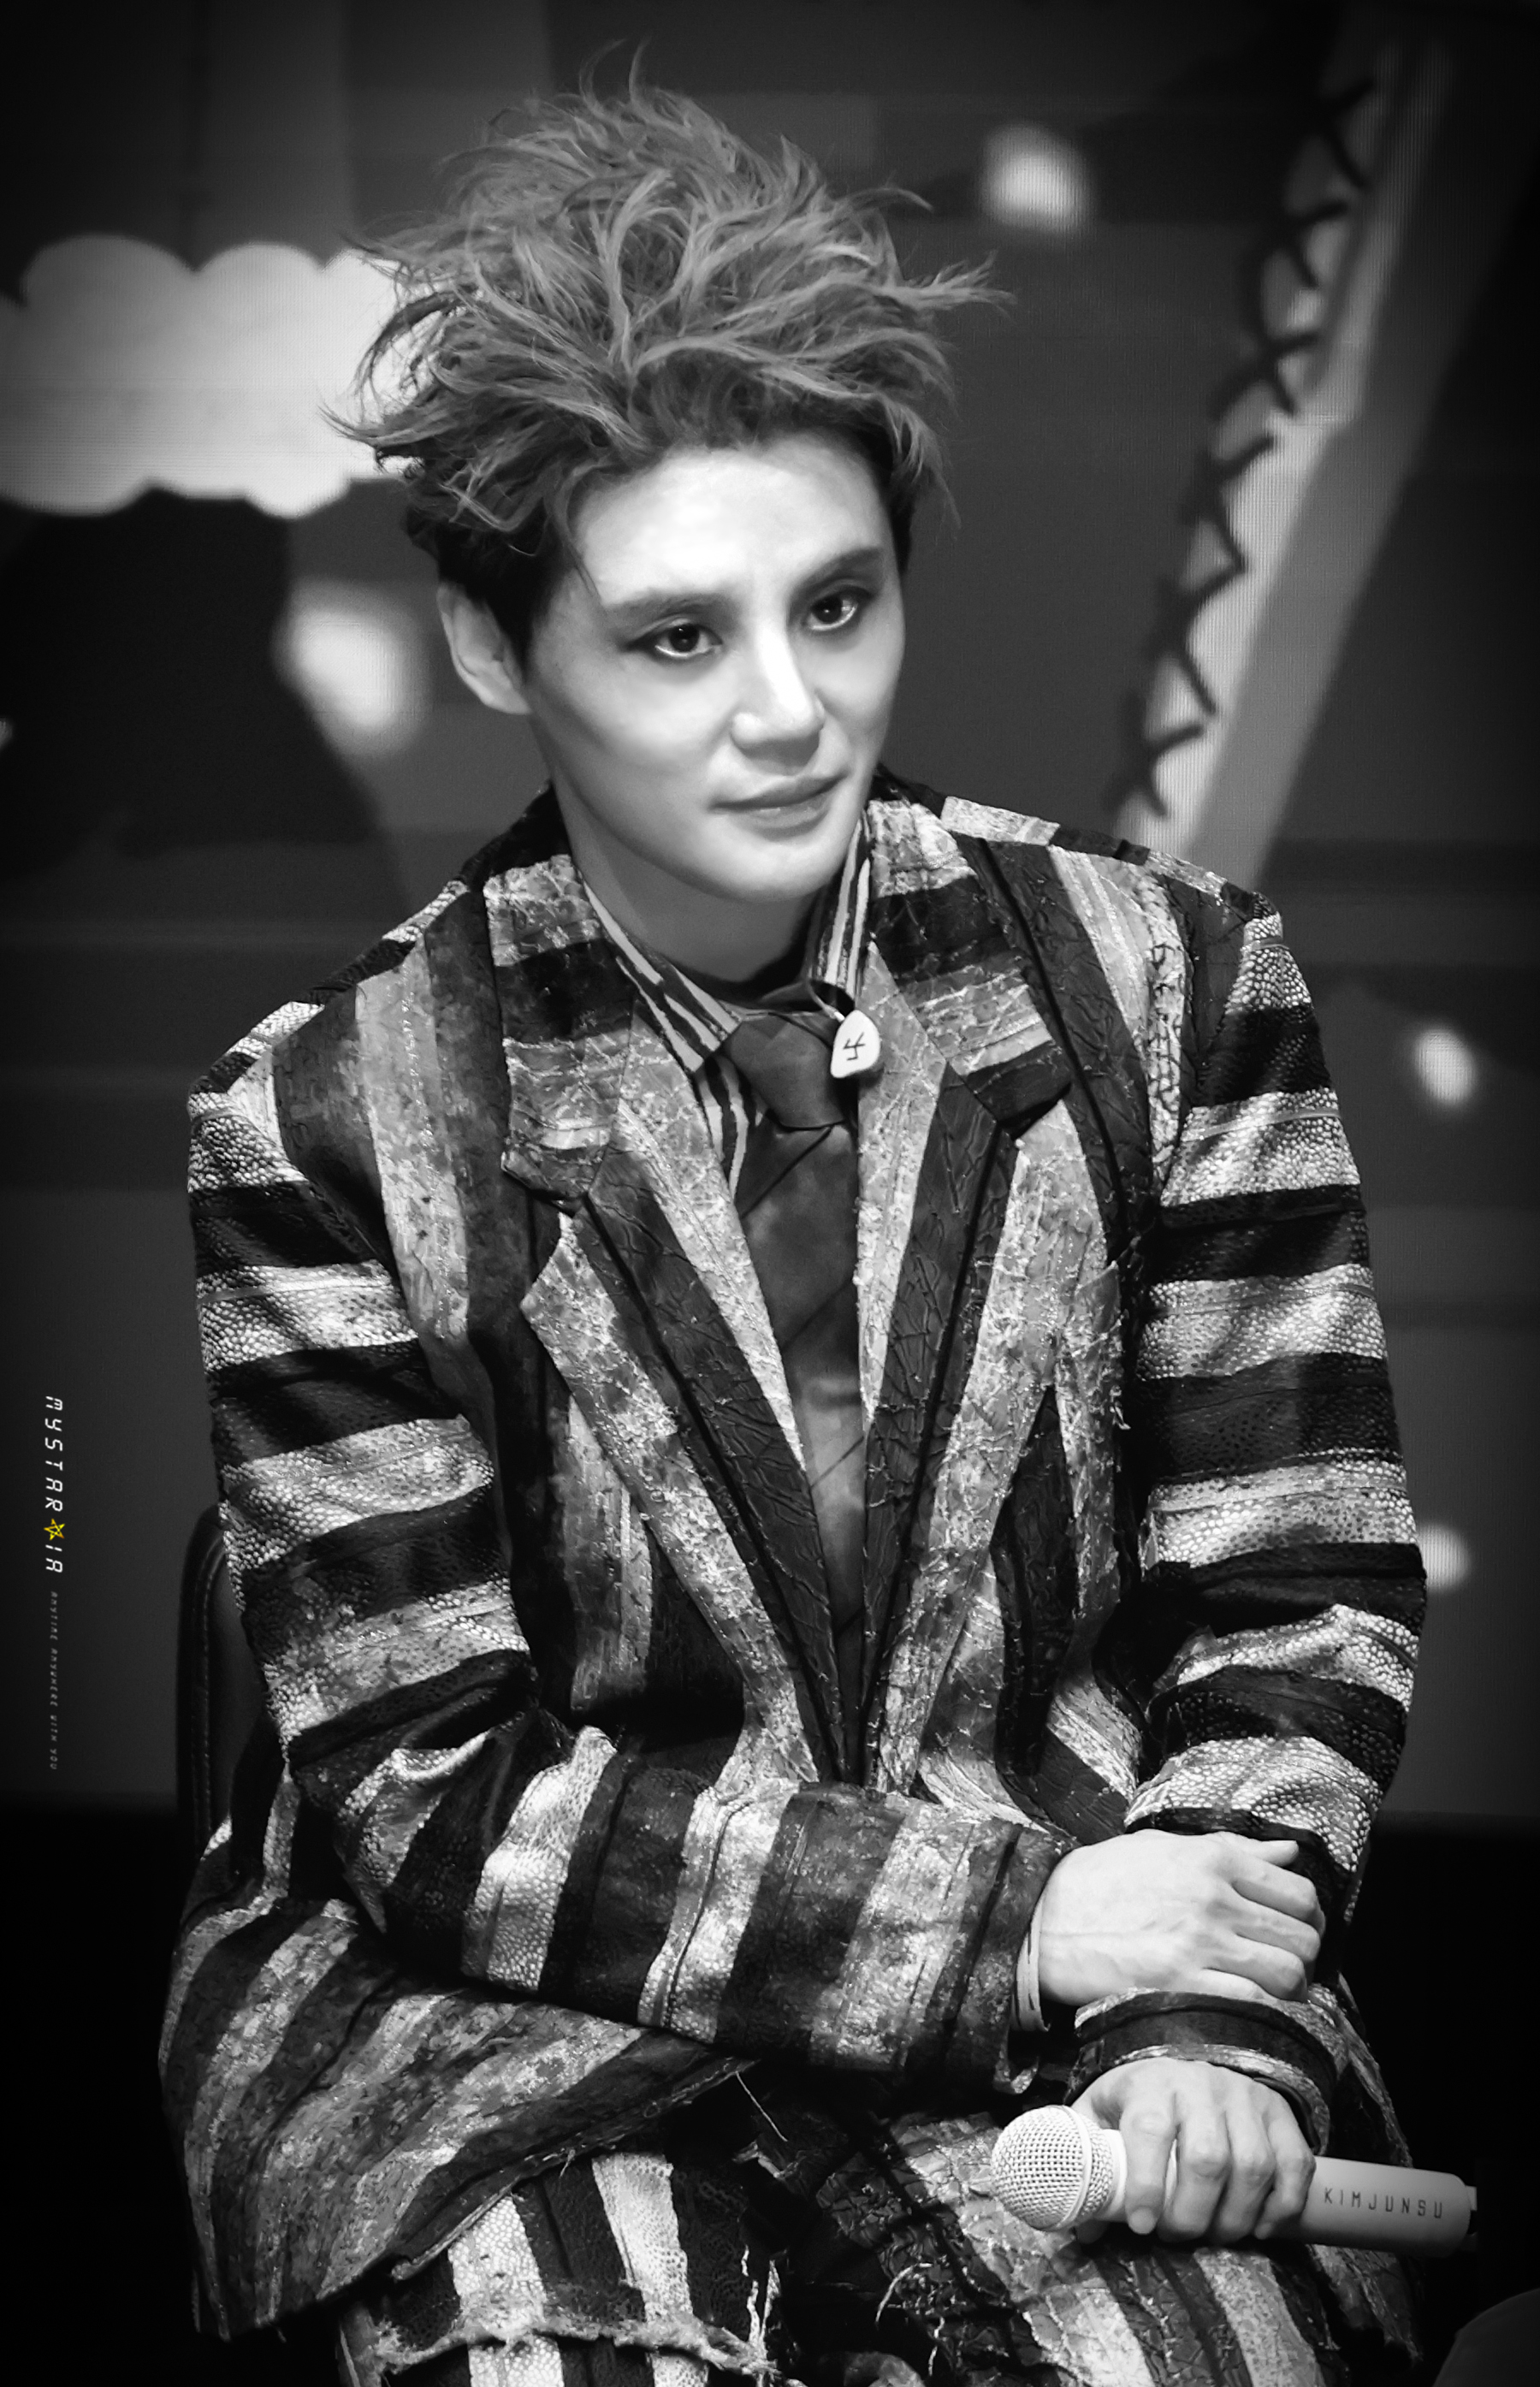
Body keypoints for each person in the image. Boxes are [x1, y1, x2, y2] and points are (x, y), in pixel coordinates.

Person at [161, 79, 1427, 2387]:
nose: (789, 713)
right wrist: (1025, 1918)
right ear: (487, 644)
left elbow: (1292, 1581)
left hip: (1099, 2015)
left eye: (836, 604)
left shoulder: (1171, 982)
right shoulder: (325, 1118)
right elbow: (433, 1792)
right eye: (675, 638)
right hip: (507, 2046)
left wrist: (1195, 2013)